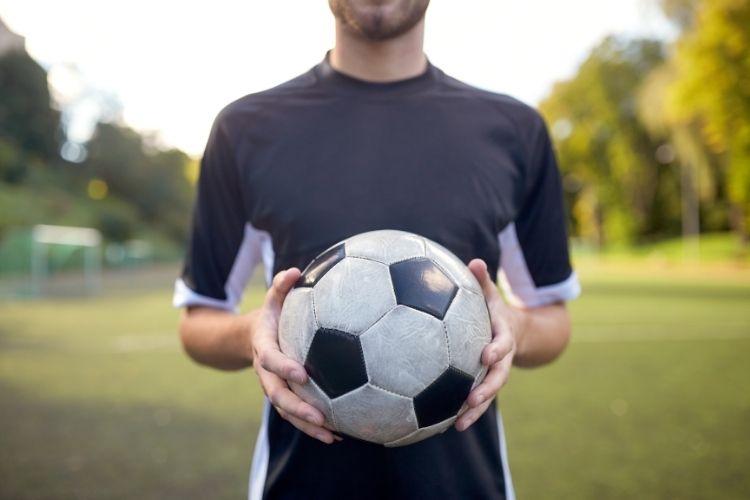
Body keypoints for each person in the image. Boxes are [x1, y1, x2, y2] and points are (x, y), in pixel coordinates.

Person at [174, 1, 580, 498]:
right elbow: (198, 324)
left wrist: (511, 327)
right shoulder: (246, 130)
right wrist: (251, 335)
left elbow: (554, 322)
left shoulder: (514, 131)